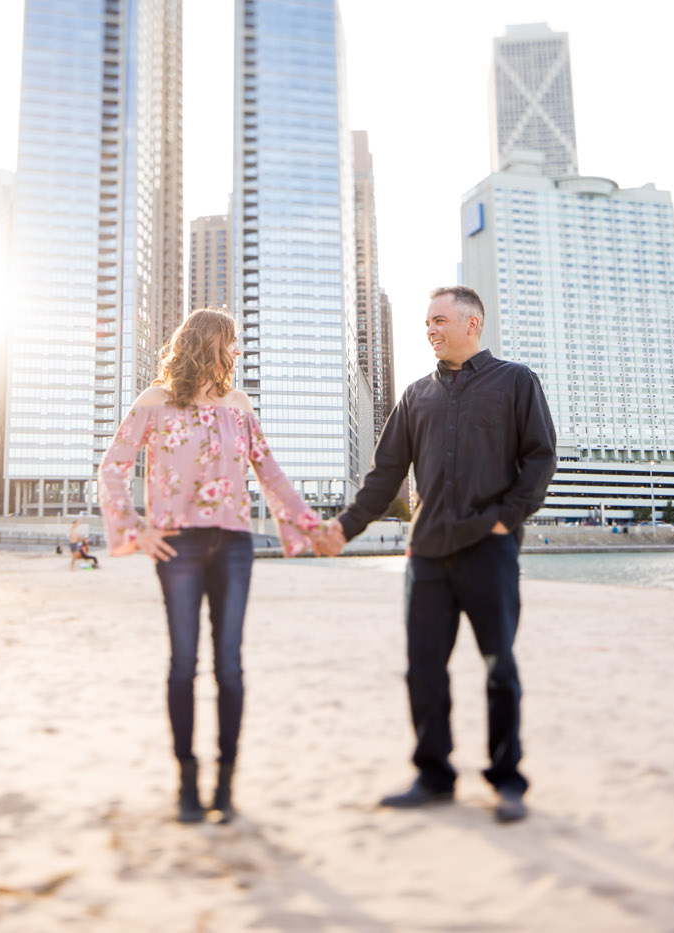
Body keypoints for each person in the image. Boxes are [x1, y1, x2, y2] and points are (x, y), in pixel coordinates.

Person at [316, 286, 556, 823]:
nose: (430, 329)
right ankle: (433, 775)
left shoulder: (516, 382)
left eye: (440, 320)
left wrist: (504, 519)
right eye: (427, 322)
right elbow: (384, 477)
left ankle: (507, 781)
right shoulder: (414, 395)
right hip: (425, 555)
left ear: (473, 324)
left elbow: (540, 458)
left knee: (499, 668)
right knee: (423, 669)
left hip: (488, 551)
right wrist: (343, 528)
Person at [99, 308, 323, 824]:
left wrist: (313, 525)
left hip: (235, 545)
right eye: (231, 343)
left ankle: (224, 783)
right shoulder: (154, 402)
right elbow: (112, 468)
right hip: (178, 547)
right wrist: (137, 529)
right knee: (183, 665)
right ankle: (186, 781)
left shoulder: (239, 406)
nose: (236, 353)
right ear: (206, 343)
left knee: (229, 666)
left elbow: (272, 475)